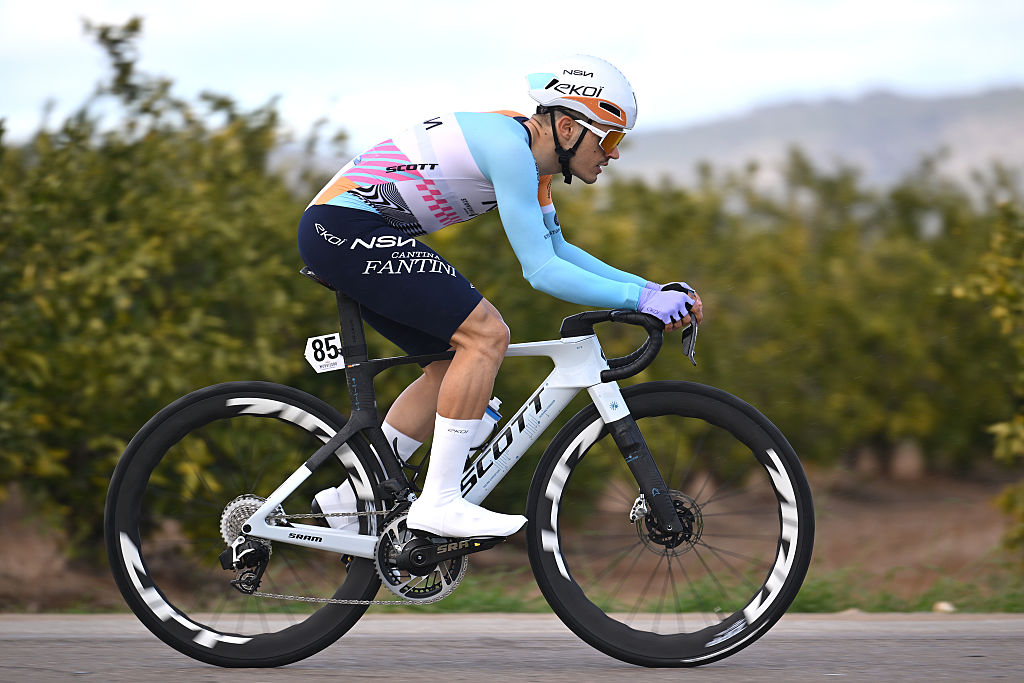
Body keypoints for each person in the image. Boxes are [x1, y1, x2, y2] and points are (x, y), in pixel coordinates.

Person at [298, 55, 703, 540]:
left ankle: (353, 496)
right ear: (570, 128)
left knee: (453, 366)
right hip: (344, 228)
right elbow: (543, 271)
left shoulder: (533, 165)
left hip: (345, 230)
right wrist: (641, 300)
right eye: (610, 138)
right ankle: (440, 503)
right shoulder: (509, 149)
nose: (614, 154)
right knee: (486, 336)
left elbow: (559, 248)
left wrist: (650, 290)